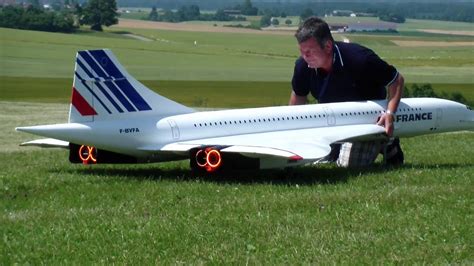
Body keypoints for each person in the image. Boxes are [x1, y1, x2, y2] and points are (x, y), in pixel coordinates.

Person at [290, 17, 405, 167]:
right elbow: (298, 96)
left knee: (347, 166)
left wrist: (389, 114)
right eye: (302, 52)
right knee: (315, 163)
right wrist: (293, 130)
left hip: (365, 121)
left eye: (309, 52)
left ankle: (389, 143)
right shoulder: (302, 66)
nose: (305, 57)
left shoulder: (361, 59)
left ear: (328, 46)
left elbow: (396, 80)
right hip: (331, 122)